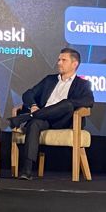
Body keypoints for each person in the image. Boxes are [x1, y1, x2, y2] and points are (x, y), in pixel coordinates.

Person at [9, 47, 94, 180]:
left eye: (63, 60)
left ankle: (27, 117)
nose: (59, 63)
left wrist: (70, 104)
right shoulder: (50, 80)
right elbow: (28, 93)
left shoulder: (83, 84)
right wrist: (33, 106)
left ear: (74, 64)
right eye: (59, 60)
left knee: (67, 104)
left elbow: (89, 101)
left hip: (63, 120)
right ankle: (27, 170)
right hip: (45, 118)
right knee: (34, 124)